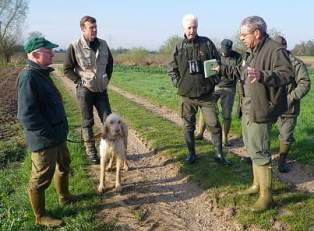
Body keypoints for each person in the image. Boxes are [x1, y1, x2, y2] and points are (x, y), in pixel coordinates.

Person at [213, 16, 293, 211]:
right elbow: (242, 73)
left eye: (244, 35)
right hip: (247, 108)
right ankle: (257, 185)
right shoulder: (251, 51)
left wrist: (263, 75)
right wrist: (222, 68)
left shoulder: (275, 49)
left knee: (260, 152)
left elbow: (287, 74)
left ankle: (267, 197)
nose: (241, 38)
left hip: (262, 108)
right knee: (251, 147)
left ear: (256, 33)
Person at [17, 37, 77, 227]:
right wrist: (48, 133)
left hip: (57, 136)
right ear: (35, 55)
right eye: (48, 51)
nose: (52, 53)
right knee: (40, 179)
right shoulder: (29, 77)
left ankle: (64, 197)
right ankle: (40, 217)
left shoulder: (42, 74)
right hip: (44, 140)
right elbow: (26, 115)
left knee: (64, 166)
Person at [168, 14, 231, 165]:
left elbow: (217, 65)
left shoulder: (207, 43)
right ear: (184, 28)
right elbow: (171, 69)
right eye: (189, 27)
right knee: (188, 125)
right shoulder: (178, 47)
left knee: (214, 125)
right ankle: (191, 154)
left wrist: (213, 81)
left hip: (206, 95)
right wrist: (179, 84)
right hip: (186, 95)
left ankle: (219, 154)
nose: (192, 30)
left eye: (194, 27)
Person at [64, 16, 113, 164]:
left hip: (101, 90)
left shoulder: (103, 44)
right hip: (85, 90)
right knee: (87, 122)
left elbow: (110, 64)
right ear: (83, 29)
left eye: (95, 27)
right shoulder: (74, 45)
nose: (95, 30)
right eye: (91, 27)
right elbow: (67, 69)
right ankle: (91, 152)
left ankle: (109, 150)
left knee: (108, 120)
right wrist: (79, 81)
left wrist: (105, 79)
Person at [274, 36, 311, 173]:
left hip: (288, 108)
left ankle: (282, 161)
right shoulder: (270, 60)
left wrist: (290, 98)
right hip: (270, 106)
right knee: (262, 132)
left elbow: (305, 83)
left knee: (285, 135)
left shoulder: (296, 64)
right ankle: (259, 158)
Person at [195, 39, 242, 147]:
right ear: (221, 47)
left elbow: (239, 72)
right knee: (205, 109)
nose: (225, 52)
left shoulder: (237, 57)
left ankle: (225, 138)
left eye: (227, 50)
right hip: (214, 86)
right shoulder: (214, 54)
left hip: (229, 88)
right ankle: (200, 132)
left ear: (231, 48)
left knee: (226, 115)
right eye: (223, 49)